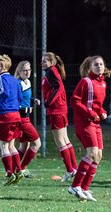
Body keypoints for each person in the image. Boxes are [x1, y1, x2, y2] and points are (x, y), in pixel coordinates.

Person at [67, 55, 111, 201]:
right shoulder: (86, 82)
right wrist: (91, 113)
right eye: (96, 64)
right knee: (91, 153)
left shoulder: (103, 84)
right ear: (90, 67)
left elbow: (97, 105)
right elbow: (74, 101)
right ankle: (75, 186)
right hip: (84, 122)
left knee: (98, 156)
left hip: (95, 123)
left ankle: (84, 188)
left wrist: (102, 112)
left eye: (101, 64)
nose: (99, 66)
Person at [41, 52, 77, 182]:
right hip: (59, 109)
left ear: (52, 62)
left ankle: (70, 170)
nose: (42, 62)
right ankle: (74, 168)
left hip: (56, 110)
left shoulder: (51, 71)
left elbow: (58, 87)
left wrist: (48, 102)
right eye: (42, 60)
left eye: (45, 61)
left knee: (60, 141)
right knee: (65, 139)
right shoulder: (52, 71)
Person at [0, 54, 23, 186]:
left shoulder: (1, 78)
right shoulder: (15, 80)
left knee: (4, 146)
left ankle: (10, 174)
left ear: (4, 66)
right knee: (11, 145)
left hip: (5, 115)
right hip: (16, 114)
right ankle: (19, 171)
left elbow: (4, 92)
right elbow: (19, 96)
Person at [14, 61, 41, 177]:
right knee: (37, 144)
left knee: (24, 145)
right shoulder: (18, 84)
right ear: (19, 71)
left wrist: (33, 100)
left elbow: (26, 98)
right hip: (21, 119)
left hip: (25, 118)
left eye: (29, 70)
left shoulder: (27, 82)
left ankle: (14, 169)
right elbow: (14, 102)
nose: (27, 72)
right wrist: (24, 109)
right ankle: (22, 169)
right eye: (24, 70)